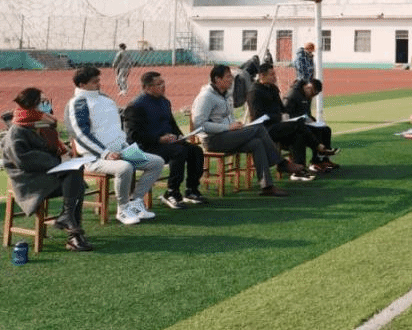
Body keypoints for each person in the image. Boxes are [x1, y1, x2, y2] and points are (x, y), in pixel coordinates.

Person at [65, 65, 165, 226]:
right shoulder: (77, 103)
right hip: (93, 158)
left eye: (98, 80)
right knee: (124, 167)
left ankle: (135, 202)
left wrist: (124, 146)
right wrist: (105, 153)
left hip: (120, 152)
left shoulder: (105, 99)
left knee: (156, 162)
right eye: (94, 82)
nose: (99, 84)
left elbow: (116, 128)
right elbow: (81, 135)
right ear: (82, 84)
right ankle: (122, 209)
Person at [0, 87, 92, 251]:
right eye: (42, 102)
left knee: (76, 176)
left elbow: (52, 146)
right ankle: (73, 234)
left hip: (47, 174)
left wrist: (65, 153)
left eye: (47, 101)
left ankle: (69, 223)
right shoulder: (17, 130)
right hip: (28, 180)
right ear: (31, 105)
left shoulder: (42, 124)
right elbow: (23, 160)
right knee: (75, 180)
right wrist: (58, 160)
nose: (47, 105)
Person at [191, 64, 302, 197]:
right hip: (213, 140)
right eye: (228, 77)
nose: (231, 80)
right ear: (217, 79)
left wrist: (235, 124)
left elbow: (227, 117)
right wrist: (227, 127)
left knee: (257, 143)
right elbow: (199, 124)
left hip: (228, 135)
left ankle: (267, 186)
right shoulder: (206, 97)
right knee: (259, 128)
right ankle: (281, 163)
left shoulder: (226, 95)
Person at [124, 70, 208, 209]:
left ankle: (191, 190)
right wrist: (159, 139)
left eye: (163, 83)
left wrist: (180, 137)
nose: (163, 86)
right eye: (159, 84)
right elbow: (133, 135)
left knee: (195, 150)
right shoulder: (136, 106)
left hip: (167, 144)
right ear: (147, 87)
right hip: (146, 147)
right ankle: (171, 192)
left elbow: (172, 125)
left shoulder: (164, 102)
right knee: (179, 152)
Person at [247, 62, 316, 180]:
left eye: (274, 74)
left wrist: (287, 115)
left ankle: (299, 171)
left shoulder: (273, 88)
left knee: (298, 134)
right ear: (262, 76)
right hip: (264, 129)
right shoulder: (254, 91)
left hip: (278, 126)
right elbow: (257, 116)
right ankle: (317, 146)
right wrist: (279, 117)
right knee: (297, 125)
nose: (275, 77)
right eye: (272, 74)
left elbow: (282, 108)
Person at [283, 76, 339, 172]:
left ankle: (324, 159)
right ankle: (315, 162)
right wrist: (302, 120)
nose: (313, 96)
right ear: (309, 87)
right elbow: (285, 115)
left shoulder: (307, 96)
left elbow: (306, 113)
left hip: (302, 124)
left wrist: (312, 120)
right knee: (316, 132)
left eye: (315, 95)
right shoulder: (293, 95)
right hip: (293, 127)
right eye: (313, 93)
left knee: (326, 129)